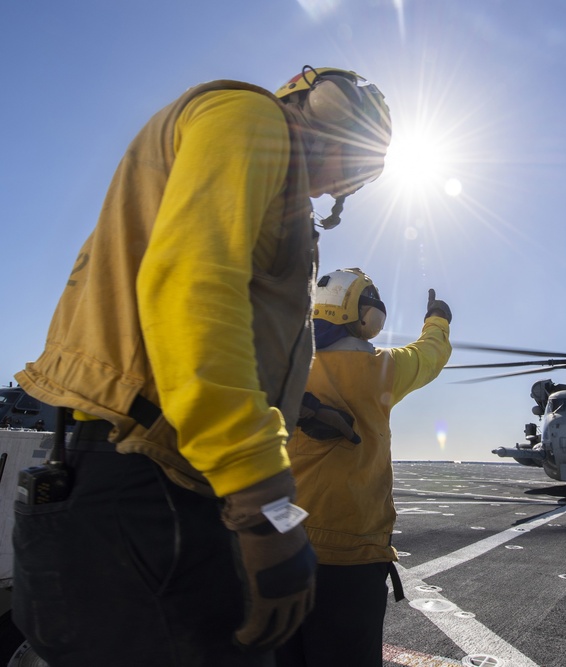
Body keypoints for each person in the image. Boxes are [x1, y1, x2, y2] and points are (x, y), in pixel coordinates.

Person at [12, 66, 392, 666]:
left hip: (156, 475)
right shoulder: (253, 121)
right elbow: (192, 291)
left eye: (355, 175)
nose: (334, 182)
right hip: (145, 481)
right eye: (352, 156)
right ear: (318, 106)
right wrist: (265, 505)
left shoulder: (262, 165)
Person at [275, 268, 452, 667]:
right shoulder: (382, 368)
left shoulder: (284, 369)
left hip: (281, 549)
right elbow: (430, 354)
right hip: (350, 562)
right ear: (365, 313)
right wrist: (438, 319)